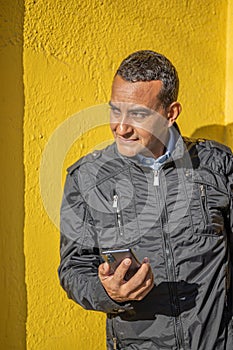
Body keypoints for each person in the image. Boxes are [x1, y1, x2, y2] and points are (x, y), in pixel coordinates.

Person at [58, 50, 233, 350]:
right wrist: (108, 292)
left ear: (171, 112)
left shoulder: (220, 165)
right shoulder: (85, 178)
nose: (121, 127)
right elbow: (73, 267)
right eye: (116, 110)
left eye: (138, 114)